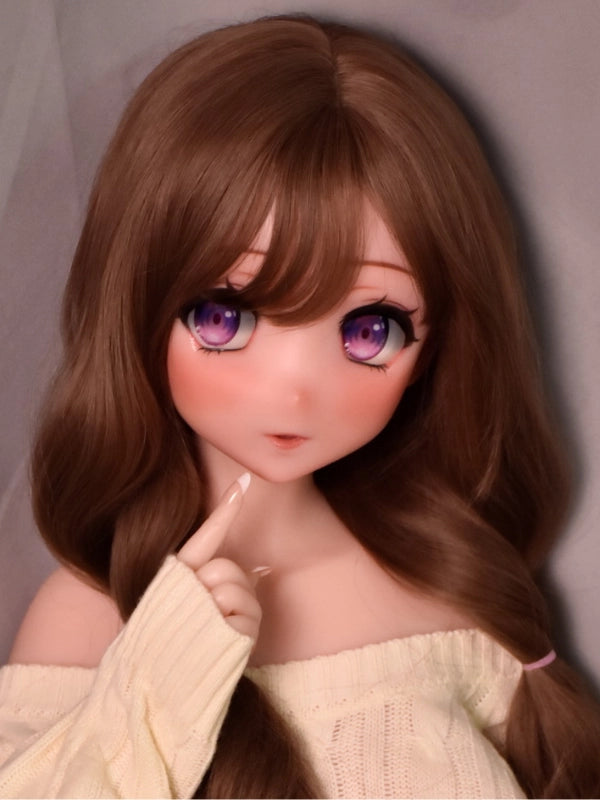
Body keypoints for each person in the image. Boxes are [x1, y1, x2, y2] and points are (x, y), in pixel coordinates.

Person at [1, 13, 599, 799]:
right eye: (224, 317)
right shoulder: (92, 619)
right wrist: (152, 687)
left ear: (437, 347)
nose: (293, 389)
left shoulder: (451, 597)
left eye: (369, 330)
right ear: (139, 309)